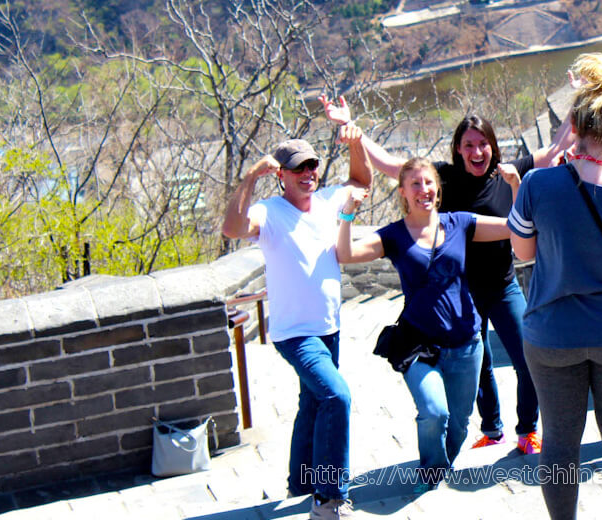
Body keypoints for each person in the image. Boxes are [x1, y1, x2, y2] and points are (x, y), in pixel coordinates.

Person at [321, 94, 572, 455]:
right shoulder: (446, 178)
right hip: (463, 290)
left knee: (527, 357)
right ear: (458, 148)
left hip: (503, 287)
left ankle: (528, 429)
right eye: (469, 144)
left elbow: (555, 149)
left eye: (483, 143)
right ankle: (492, 427)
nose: (477, 151)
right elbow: (395, 167)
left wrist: (580, 98)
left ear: (493, 146)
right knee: (479, 360)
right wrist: (354, 131)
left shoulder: (508, 173)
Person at [507, 53, 602, 520]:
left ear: (573, 125)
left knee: (559, 439)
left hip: (553, 335)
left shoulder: (537, 184)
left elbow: (523, 254)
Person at [335, 157, 514, 491]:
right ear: (403, 192)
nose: (424, 190)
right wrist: (348, 213)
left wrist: (516, 185)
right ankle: (431, 472)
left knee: (459, 422)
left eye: (428, 182)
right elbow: (344, 254)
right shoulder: (394, 235)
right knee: (434, 412)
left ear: (438, 188)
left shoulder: (460, 223)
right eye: (415, 184)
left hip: (466, 344)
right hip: (419, 344)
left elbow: (513, 226)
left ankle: (441, 466)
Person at [221, 132, 371, 519]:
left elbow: (362, 182)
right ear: (281, 175)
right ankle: (329, 498)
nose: (308, 173)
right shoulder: (269, 212)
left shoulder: (326, 200)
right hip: (295, 334)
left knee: (313, 404)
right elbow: (232, 228)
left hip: (329, 328)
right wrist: (251, 177)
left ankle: (300, 485)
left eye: (312, 165)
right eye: (298, 167)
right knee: (336, 397)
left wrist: (354, 140)